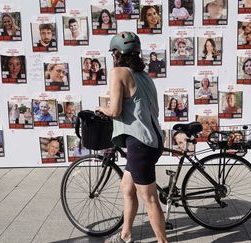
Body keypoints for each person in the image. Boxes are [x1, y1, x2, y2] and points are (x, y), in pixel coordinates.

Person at [98, 32, 167, 243]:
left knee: (150, 199)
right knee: (127, 187)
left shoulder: (118, 72)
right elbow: (154, 112)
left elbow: (116, 110)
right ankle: (125, 235)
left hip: (139, 144)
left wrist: (101, 108)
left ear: (117, 53)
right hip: (153, 140)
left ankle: (163, 241)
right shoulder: (145, 77)